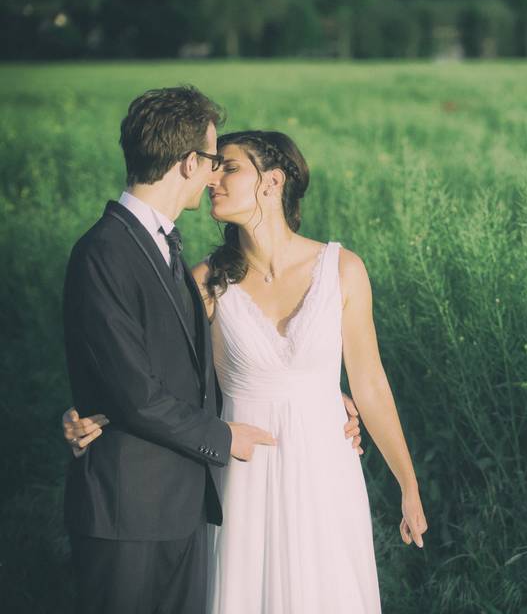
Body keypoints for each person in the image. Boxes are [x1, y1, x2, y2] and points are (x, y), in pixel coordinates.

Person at [65, 124, 428, 612]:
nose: (214, 177)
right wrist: (93, 413)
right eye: (213, 166)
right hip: (241, 470)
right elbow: (151, 375)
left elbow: (370, 382)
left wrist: (408, 484)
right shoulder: (204, 282)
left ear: (272, 182)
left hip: (325, 468)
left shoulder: (343, 269)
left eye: (229, 167)